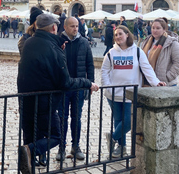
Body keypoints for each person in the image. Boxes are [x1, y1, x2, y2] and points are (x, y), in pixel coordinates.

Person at [17, 14, 99, 174]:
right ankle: (29, 150)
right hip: (45, 100)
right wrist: (88, 83)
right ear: (55, 28)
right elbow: (65, 82)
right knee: (55, 135)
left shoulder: (29, 43)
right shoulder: (54, 49)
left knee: (31, 133)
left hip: (26, 98)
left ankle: (29, 157)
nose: (75, 29)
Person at [102, 25, 166, 158]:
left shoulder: (137, 51)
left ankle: (112, 138)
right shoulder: (110, 53)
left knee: (130, 121)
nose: (118, 37)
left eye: (120, 34)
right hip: (113, 93)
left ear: (127, 34)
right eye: (116, 35)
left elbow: (147, 68)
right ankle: (121, 148)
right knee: (118, 121)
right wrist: (107, 87)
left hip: (131, 94)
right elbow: (104, 71)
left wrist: (155, 82)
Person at [57, 17, 95, 161]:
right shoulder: (59, 41)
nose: (75, 29)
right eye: (72, 26)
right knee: (62, 118)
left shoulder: (84, 42)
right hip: (63, 88)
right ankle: (61, 147)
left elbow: (89, 65)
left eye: (77, 26)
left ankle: (76, 146)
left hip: (79, 88)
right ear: (65, 27)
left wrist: (89, 84)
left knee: (76, 118)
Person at [140, 18, 179, 86]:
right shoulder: (146, 42)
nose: (155, 30)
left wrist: (168, 77)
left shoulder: (172, 43)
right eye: (153, 28)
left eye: (158, 28)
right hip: (148, 82)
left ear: (164, 29)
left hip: (166, 84)